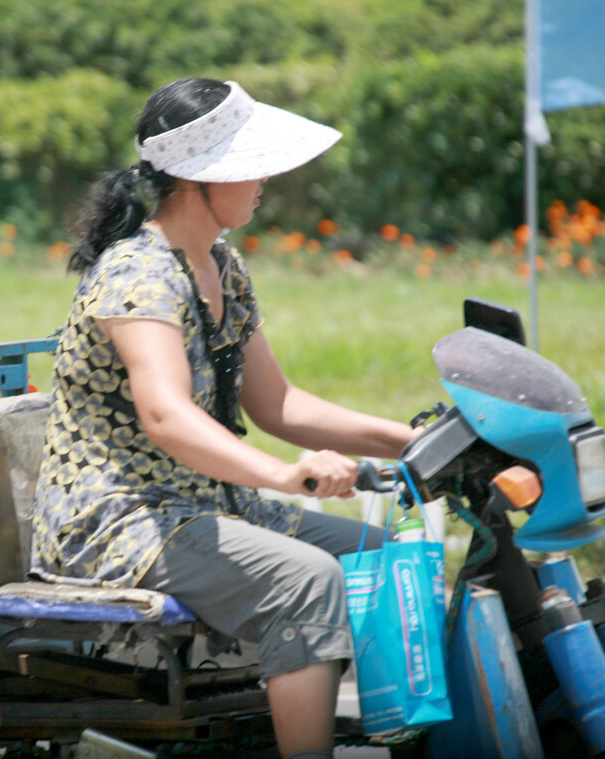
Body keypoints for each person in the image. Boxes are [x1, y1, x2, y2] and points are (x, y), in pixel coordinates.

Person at [30, 78, 419, 759]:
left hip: (203, 503)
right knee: (307, 581)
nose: (264, 178)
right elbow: (166, 415)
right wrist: (284, 473)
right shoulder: (138, 274)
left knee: (380, 558)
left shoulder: (221, 265)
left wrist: (412, 440)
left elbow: (278, 405)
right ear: (197, 176)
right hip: (120, 519)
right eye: (250, 162)